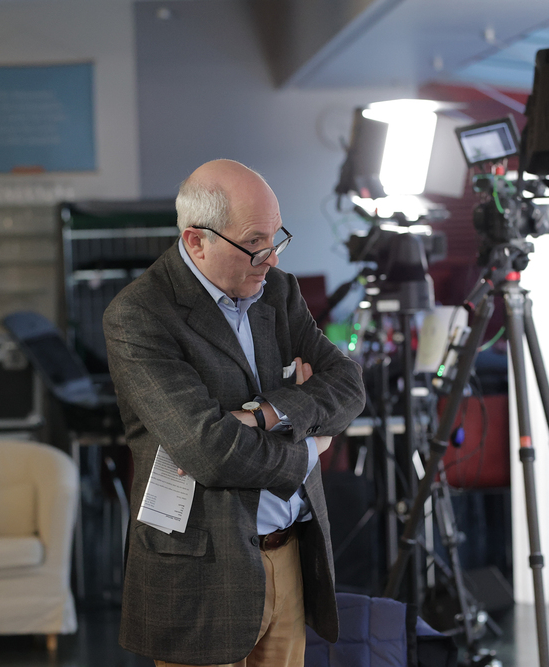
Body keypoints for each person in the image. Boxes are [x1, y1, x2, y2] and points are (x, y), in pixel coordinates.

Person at [103, 159, 365, 666]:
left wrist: (266, 413)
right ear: (197, 241)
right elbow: (211, 451)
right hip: (203, 573)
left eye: (276, 237)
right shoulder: (139, 315)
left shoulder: (279, 292)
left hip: (290, 554)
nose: (271, 257)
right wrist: (310, 447)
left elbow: (348, 385)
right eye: (254, 242)